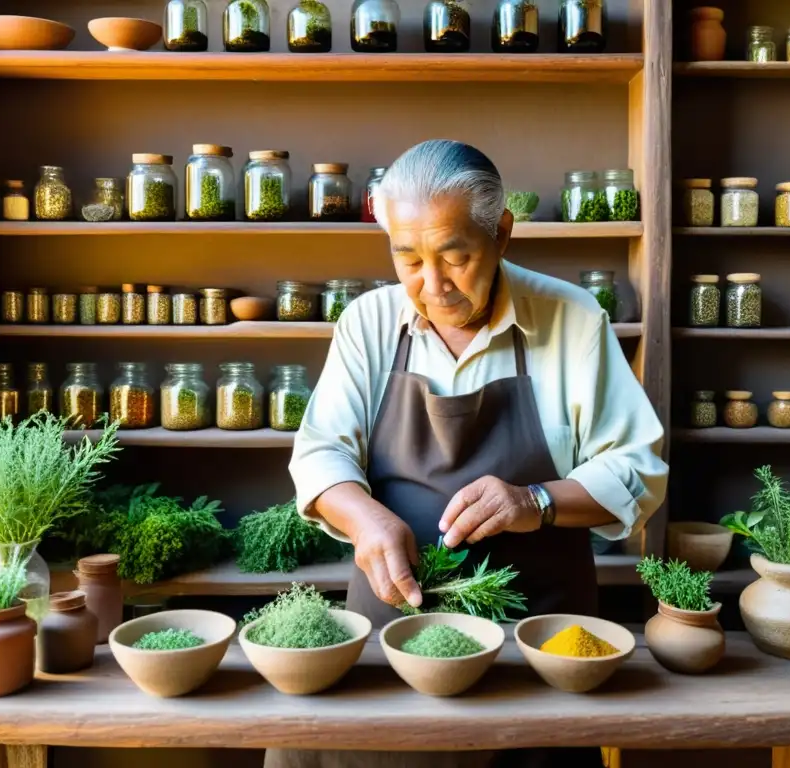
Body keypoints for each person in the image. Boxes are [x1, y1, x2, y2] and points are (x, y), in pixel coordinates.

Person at [266, 140, 668, 768]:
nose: (433, 286)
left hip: (534, 640)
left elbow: (638, 468)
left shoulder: (572, 318)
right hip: (393, 631)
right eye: (409, 260)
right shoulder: (368, 323)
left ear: (502, 233)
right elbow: (320, 453)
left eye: (456, 258)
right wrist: (365, 519)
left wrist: (534, 500)